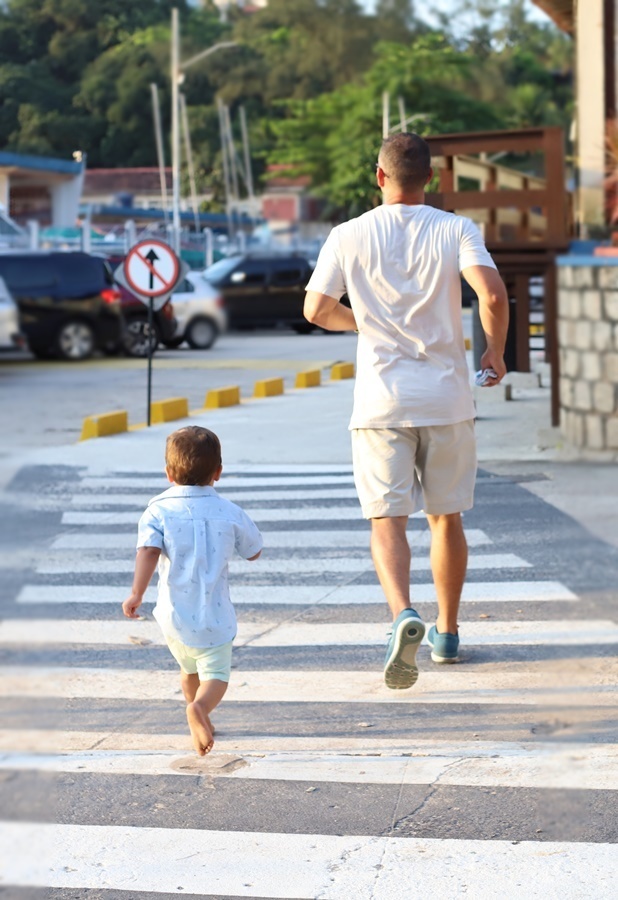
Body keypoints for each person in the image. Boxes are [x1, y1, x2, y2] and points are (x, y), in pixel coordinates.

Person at [304, 132, 509, 690]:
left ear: (379, 176)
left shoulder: (347, 234)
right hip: (446, 399)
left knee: (387, 521)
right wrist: (494, 351)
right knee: (446, 518)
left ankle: (403, 615)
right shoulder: (456, 229)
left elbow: (316, 308)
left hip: (380, 403)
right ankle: (448, 633)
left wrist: (365, 323)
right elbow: (492, 294)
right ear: (431, 178)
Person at [122, 426, 263, 755]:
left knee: (188, 669)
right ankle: (200, 709)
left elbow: (148, 551)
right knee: (216, 675)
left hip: (174, 617)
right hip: (215, 617)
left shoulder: (158, 510)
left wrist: (136, 594)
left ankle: (197, 711)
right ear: (218, 472)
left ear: (169, 473)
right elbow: (254, 551)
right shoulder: (229, 511)